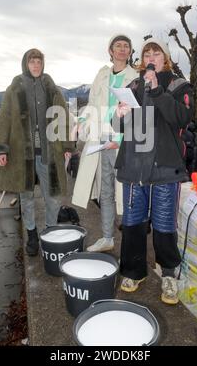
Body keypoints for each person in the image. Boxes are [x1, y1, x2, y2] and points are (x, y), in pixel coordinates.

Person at [112, 37, 194, 304]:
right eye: (147, 52)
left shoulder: (178, 84)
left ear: (165, 59)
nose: (150, 56)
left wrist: (158, 91)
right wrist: (119, 114)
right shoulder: (133, 85)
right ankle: (134, 271)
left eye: (156, 53)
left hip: (165, 166)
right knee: (133, 222)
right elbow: (120, 126)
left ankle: (168, 273)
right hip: (134, 166)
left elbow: (182, 118)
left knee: (163, 222)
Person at [0, 48, 74, 256]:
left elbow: (64, 118)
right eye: (32, 62)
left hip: (49, 153)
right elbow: (5, 120)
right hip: (22, 155)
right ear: (25, 64)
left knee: (53, 197)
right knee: (26, 197)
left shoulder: (51, 87)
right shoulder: (15, 87)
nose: (36, 65)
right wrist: (2, 148)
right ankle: (32, 234)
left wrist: (66, 146)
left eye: (39, 61)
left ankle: (50, 231)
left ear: (43, 64)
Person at [72, 34, 137, 252]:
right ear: (110, 50)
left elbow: (138, 113)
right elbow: (91, 103)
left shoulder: (135, 77)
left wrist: (120, 140)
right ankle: (107, 237)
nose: (122, 49)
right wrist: (81, 121)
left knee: (127, 194)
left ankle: (130, 240)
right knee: (106, 191)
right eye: (117, 45)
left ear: (129, 52)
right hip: (101, 139)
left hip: (122, 143)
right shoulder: (102, 74)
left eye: (126, 46)